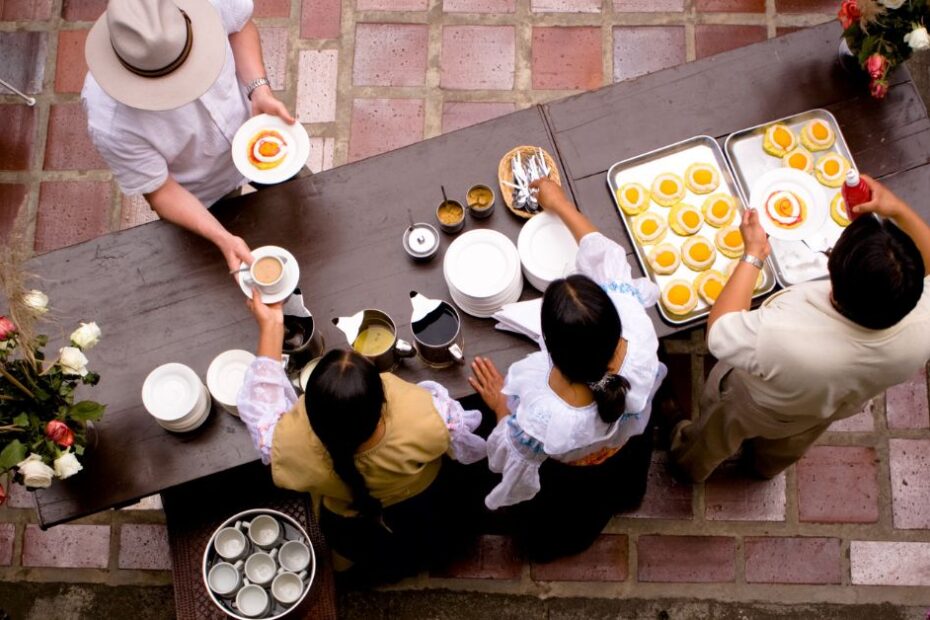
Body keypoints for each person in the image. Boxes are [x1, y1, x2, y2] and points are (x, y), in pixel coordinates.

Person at [670, 175, 930, 483]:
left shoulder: (784, 335)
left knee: (716, 434)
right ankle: (765, 468)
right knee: (793, 440)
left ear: (832, 276)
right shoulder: (923, 322)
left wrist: (753, 255)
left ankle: (689, 465)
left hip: (755, 404)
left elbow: (720, 330)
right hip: (827, 406)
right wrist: (896, 208)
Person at [469, 178, 667, 562]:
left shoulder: (544, 414)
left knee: (563, 518)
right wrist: (560, 203)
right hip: (625, 446)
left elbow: (510, 454)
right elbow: (605, 256)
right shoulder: (634, 324)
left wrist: (499, 405)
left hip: (572, 479)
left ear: (550, 349)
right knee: (621, 483)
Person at [236, 289, 488, 583]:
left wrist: (271, 328)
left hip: (351, 524)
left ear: (308, 412)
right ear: (382, 403)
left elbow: (260, 406)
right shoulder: (429, 416)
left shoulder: (288, 445)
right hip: (425, 503)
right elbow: (466, 444)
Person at [82, 0, 296, 272]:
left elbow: (240, 28)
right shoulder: (109, 120)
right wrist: (222, 238)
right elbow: (160, 189)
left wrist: (259, 90)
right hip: (204, 195)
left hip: (259, 131)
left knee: (305, 203)